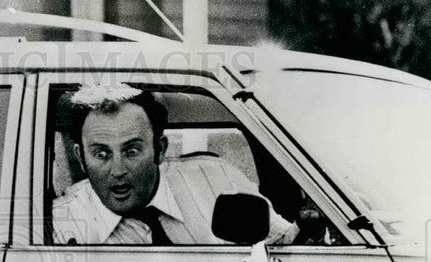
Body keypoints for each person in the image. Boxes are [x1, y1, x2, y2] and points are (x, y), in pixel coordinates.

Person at [52, 83, 308, 246]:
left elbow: (283, 245)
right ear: (80, 159)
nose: (118, 170)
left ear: (159, 150)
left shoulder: (218, 180)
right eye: (102, 154)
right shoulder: (59, 223)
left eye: (131, 150)